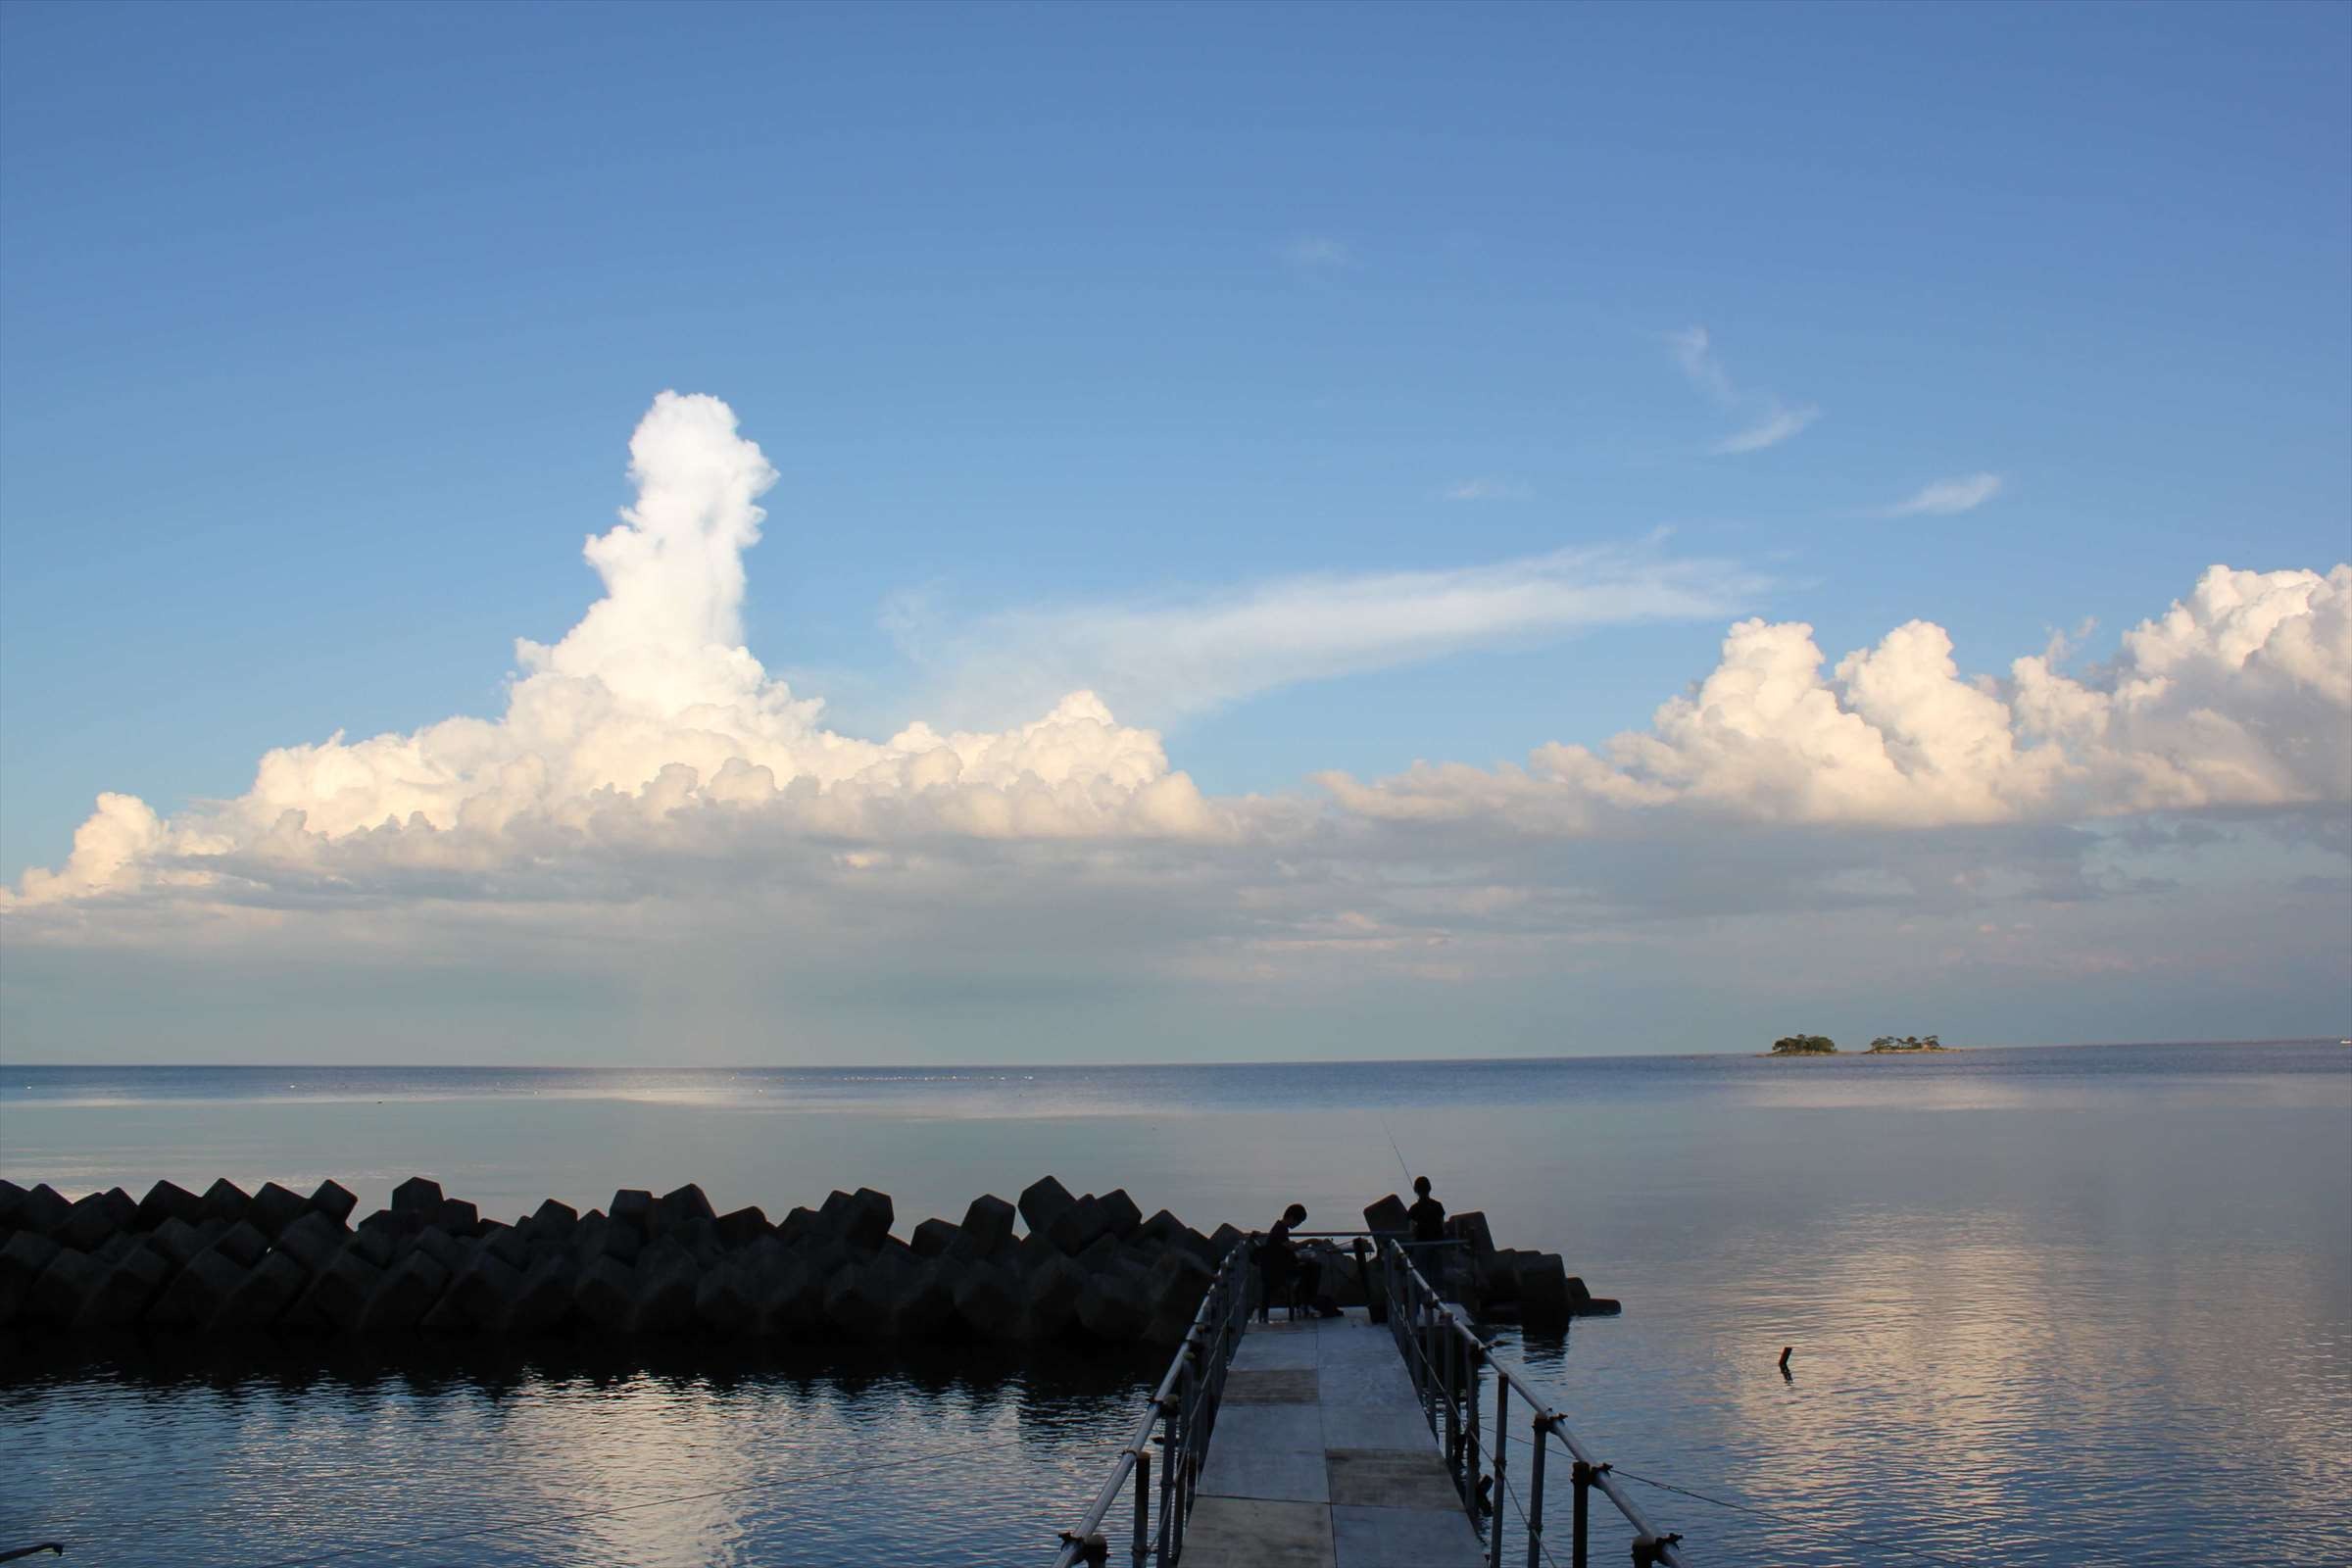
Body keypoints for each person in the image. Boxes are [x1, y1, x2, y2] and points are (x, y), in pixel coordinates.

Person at [1255, 1202, 1313, 1321]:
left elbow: (1286, 1247)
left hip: (1274, 1267)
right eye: (1298, 1222)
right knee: (1313, 1269)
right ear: (1291, 1218)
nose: (1297, 1225)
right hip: (1277, 1271)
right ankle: (1304, 1303)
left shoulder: (1280, 1228)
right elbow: (1290, 1247)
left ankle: (1302, 1303)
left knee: (1309, 1268)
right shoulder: (1280, 1229)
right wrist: (1309, 1241)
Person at [1407, 1176, 1446, 1246]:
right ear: (1429, 1189)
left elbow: (1412, 1231)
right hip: (1439, 1244)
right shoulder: (1438, 1205)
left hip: (1421, 1245)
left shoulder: (1413, 1209)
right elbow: (1442, 1226)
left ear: (1416, 1190)